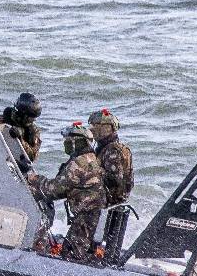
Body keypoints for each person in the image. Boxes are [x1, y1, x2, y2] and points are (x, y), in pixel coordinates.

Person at [31, 121, 105, 261]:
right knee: (74, 251)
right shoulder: (91, 158)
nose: (65, 143)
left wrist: (35, 180)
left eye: (67, 140)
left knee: (70, 254)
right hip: (91, 215)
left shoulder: (78, 164)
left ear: (75, 142)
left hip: (85, 217)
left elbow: (55, 190)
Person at [89, 108, 134, 262]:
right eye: (92, 125)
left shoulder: (113, 150)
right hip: (109, 205)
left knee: (95, 242)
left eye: (97, 125)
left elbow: (115, 180)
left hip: (110, 206)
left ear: (109, 128)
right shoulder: (105, 148)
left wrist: (90, 172)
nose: (93, 129)